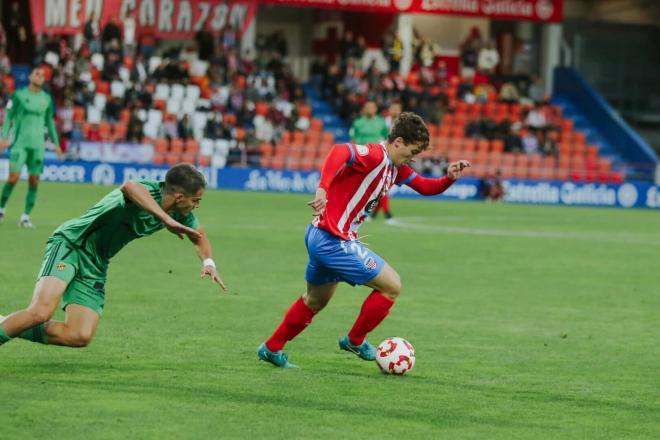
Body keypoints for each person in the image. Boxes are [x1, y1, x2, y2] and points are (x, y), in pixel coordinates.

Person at [257, 113, 470, 368]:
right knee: (391, 286)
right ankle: (355, 340)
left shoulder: (396, 168)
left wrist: (448, 179)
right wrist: (323, 188)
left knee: (314, 301)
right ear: (398, 142)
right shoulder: (375, 155)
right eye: (412, 151)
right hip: (333, 240)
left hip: (319, 236)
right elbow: (339, 151)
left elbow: (426, 186)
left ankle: (271, 348)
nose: (412, 158)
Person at [0, 163, 226, 349]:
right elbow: (129, 186)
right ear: (179, 196)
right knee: (40, 312)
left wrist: (208, 262)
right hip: (72, 244)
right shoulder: (147, 192)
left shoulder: (180, 212)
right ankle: (9, 327)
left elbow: (199, 237)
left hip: (96, 263)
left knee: (79, 335)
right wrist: (165, 220)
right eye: (196, 200)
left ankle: (7, 324)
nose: (197, 206)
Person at [0, 67, 63, 227]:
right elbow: (9, 116)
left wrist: (56, 144)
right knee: (13, 178)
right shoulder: (19, 95)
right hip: (20, 144)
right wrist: (4, 137)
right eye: (37, 73)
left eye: (42, 75)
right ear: (30, 76)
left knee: (34, 181)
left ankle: (25, 217)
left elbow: (49, 122)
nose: (40, 77)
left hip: (38, 147)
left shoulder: (46, 99)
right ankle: (1, 209)